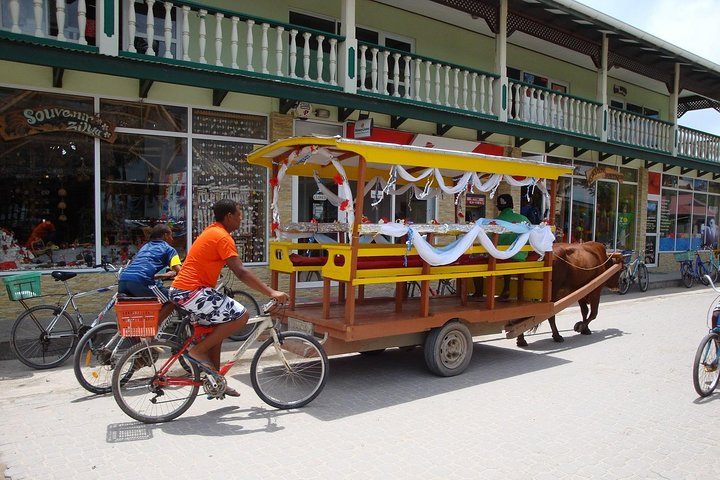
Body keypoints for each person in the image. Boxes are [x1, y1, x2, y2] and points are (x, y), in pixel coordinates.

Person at [169, 199, 288, 397]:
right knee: (241, 316)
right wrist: (271, 292)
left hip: (186, 291)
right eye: (239, 215)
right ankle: (198, 351)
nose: (241, 219)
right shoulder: (222, 237)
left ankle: (216, 381)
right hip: (191, 292)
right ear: (229, 216)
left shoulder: (212, 231)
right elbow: (241, 272)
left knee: (219, 328)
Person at [118, 224, 182, 322]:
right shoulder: (169, 249)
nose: (172, 239)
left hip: (123, 280)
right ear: (165, 235)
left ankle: (138, 335)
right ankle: (153, 328)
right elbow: (180, 271)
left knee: (145, 305)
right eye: (170, 235)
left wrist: (162, 276)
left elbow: (140, 270)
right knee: (172, 299)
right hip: (140, 283)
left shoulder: (145, 247)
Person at [496, 194, 529, 301]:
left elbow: (488, 240)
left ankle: (479, 293)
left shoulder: (495, 221)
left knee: (501, 257)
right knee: (508, 257)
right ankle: (520, 292)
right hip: (521, 255)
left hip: (503, 256)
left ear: (498, 206)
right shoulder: (523, 219)